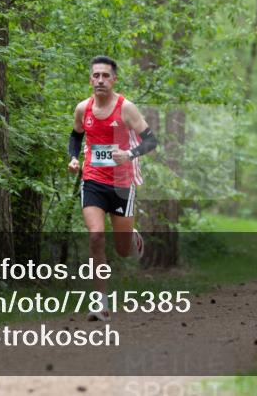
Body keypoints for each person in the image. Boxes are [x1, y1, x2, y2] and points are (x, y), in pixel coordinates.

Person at [68, 56, 158, 321]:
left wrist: (129, 154)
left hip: (122, 184)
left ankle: (132, 237)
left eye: (105, 76)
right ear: (90, 79)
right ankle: (101, 304)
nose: (100, 80)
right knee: (96, 236)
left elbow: (151, 141)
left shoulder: (126, 108)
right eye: (96, 75)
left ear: (114, 80)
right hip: (93, 180)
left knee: (122, 250)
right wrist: (73, 158)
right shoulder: (83, 109)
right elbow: (76, 135)